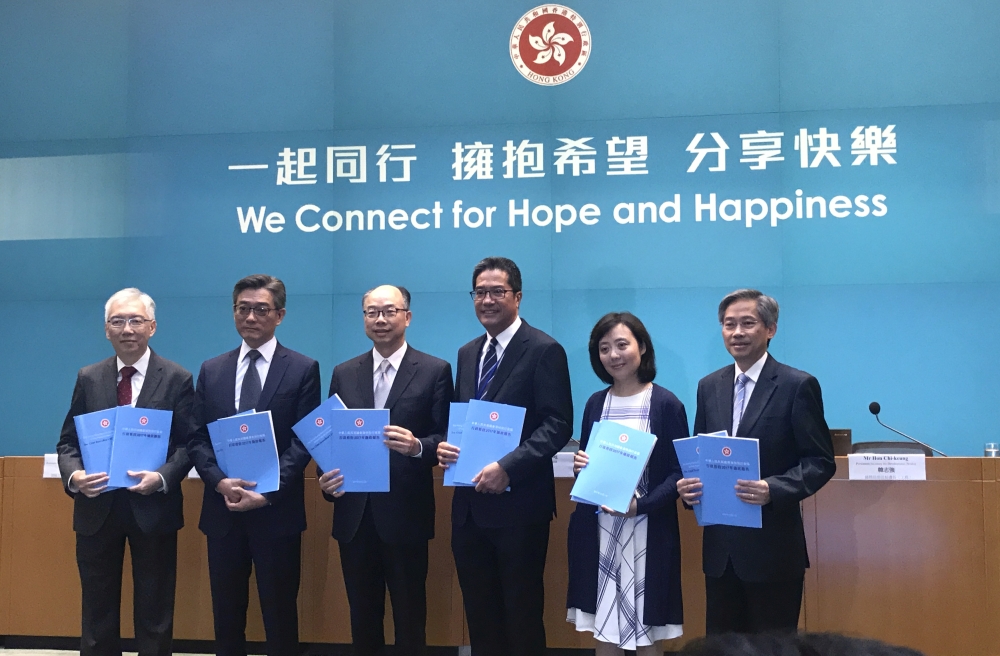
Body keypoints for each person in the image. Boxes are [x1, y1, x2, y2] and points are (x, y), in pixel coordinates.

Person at [677, 289, 836, 634]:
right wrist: (689, 488)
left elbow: (820, 461)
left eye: (747, 323)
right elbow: (702, 454)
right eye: (728, 324)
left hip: (773, 552)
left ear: (770, 329)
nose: (737, 332)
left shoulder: (797, 385)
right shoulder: (709, 386)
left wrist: (772, 489)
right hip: (721, 553)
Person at [437, 256, 573, 656]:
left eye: (498, 291)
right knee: (480, 614)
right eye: (480, 292)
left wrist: (508, 469)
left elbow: (557, 424)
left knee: (521, 613)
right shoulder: (467, 353)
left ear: (517, 297)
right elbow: (466, 419)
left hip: (519, 507)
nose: (488, 300)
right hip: (468, 507)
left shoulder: (544, 349)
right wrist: (448, 444)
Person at [187, 274, 321, 656]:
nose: (250, 317)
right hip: (223, 509)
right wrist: (218, 482)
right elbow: (196, 437)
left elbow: (304, 439)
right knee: (226, 615)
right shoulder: (212, 370)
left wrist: (267, 491)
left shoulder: (302, 368)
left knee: (280, 615)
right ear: (233, 313)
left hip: (275, 512)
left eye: (261, 309)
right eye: (243, 309)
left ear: (279, 315)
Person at [56, 288, 195, 656]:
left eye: (135, 320)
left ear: (152, 326)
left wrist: (163, 477)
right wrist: (75, 477)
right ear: (106, 330)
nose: (127, 329)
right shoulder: (89, 377)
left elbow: (188, 444)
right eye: (117, 321)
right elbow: (68, 443)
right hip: (96, 509)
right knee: (97, 611)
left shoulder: (177, 378)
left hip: (153, 509)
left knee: (155, 611)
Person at [319, 284, 453, 656]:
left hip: (405, 514)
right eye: (371, 312)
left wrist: (417, 447)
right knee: (363, 616)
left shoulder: (434, 370)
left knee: (411, 617)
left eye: (389, 311)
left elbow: (445, 435)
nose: (380, 319)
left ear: (407, 317)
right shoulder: (344, 373)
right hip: (354, 514)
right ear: (364, 319)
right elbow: (330, 436)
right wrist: (325, 480)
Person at [566, 312, 689, 656]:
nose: (614, 355)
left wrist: (640, 505)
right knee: (603, 629)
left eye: (622, 345)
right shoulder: (595, 403)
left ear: (643, 347)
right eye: (604, 348)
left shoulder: (666, 404)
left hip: (647, 529)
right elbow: (589, 467)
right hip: (600, 530)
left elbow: (679, 473)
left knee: (647, 633)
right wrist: (581, 466)